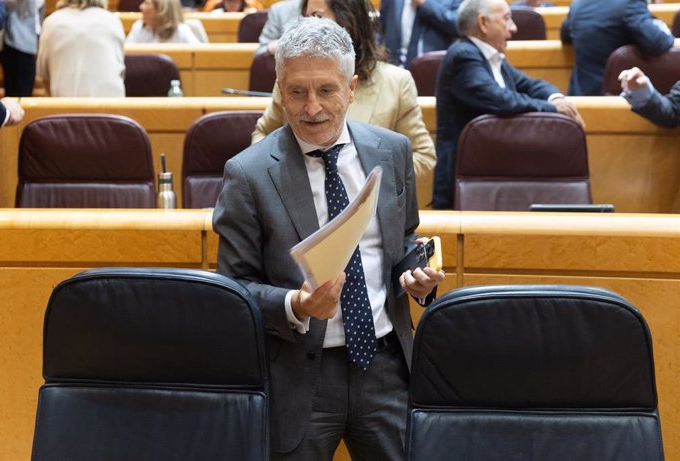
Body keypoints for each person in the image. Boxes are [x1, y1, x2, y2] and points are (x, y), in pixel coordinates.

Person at [213, 17, 444, 460]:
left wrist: (416, 274)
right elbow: (234, 289)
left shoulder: (392, 151)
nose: (311, 107)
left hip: (386, 367)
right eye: (296, 91)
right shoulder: (248, 173)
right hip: (299, 378)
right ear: (279, 89)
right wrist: (295, 305)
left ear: (351, 87)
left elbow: (403, 240)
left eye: (326, 90)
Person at [252, 0, 437, 207]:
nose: (308, 25)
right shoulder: (294, 82)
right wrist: (296, 177)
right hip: (298, 210)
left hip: (372, 211)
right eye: (305, 16)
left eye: (317, 16)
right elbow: (261, 138)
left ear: (348, 21)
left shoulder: (396, 82)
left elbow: (424, 158)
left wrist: (358, 174)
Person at [432, 0, 584, 210]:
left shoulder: (492, 57)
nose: (513, 28)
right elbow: (500, 100)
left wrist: (555, 98)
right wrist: (552, 109)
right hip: (464, 186)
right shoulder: (463, 56)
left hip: (489, 174)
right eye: (506, 19)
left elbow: (530, 84)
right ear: (483, 23)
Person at [560, 0, 673, 96]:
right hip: (624, 97)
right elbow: (658, 43)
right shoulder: (630, 3)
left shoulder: (579, 4)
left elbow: (565, 36)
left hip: (581, 95)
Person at [37, 0, 125, 97]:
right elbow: (120, 69)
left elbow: (43, 74)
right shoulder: (112, 21)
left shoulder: (51, 22)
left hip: (65, 106)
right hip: (113, 107)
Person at [379, 0, 462, 68]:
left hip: (431, 72)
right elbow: (380, 27)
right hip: (393, 69)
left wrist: (425, 4)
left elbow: (459, 26)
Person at [126, 0, 200, 43]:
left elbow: (200, 55)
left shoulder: (181, 31)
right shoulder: (138, 27)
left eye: (146, 3)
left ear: (160, 10)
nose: (141, 7)